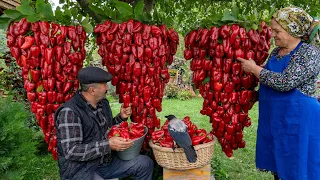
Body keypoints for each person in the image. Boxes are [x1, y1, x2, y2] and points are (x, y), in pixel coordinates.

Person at [238, 6, 320, 180]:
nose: (272, 35)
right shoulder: (276, 52)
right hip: (275, 119)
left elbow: (285, 82)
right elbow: (270, 82)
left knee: (296, 165)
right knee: (278, 161)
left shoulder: (309, 53)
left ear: (293, 30)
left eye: (277, 31)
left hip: (297, 120)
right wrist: (255, 96)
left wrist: (254, 69)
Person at [54, 67, 154, 180]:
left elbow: (106, 130)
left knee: (145, 163)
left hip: (106, 163)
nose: (107, 87)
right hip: (82, 169)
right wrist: (107, 145)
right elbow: (71, 151)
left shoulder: (103, 103)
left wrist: (121, 118)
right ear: (92, 90)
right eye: (104, 85)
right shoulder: (70, 112)